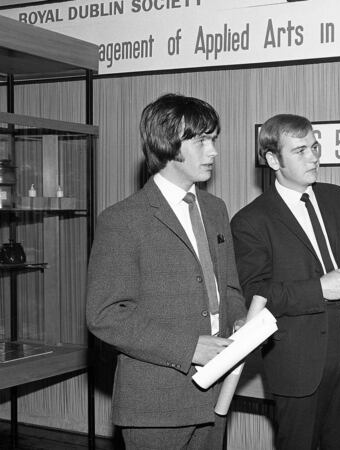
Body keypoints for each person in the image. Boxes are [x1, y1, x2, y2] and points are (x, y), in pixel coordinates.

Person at [230, 113, 340, 450]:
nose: (313, 156)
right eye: (300, 151)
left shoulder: (335, 196)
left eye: (314, 146)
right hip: (299, 364)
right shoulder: (251, 221)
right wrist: (318, 288)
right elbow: (256, 294)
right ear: (271, 159)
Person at [85, 94, 247, 449]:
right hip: (155, 405)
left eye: (213, 139)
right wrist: (189, 348)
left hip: (216, 397)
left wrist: (240, 324)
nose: (213, 151)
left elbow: (229, 288)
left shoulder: (216, 208)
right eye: (202, 139)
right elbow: (105, 315)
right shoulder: (122, 220)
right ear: (167, 141)